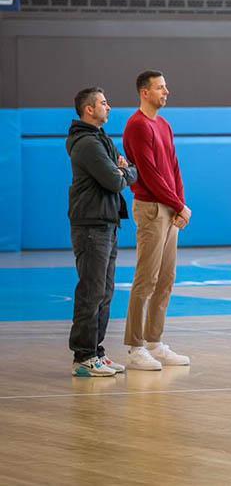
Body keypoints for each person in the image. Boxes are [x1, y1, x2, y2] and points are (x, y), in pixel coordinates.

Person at [122, 70, 191, 371]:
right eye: (161, 88)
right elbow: (149, 175)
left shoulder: (164, 125)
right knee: (146, 279)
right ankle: (136, 346)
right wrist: (176, 203)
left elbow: (173, 167)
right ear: (144, 92)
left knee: (166, 279)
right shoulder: (137, 126)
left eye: (166, 86)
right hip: (151, 209)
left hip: (170, 208)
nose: (167, 92)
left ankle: (154, 341)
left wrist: (180, 205)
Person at [67, 87, 138, 377]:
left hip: (107, 223)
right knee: (91, 291)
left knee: (105, 292)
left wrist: (124, 171)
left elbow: (130, 172)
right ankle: (83, 357)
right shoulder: (86, 143)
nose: (108, 107)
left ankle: (96, 351)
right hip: (90, 226)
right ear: (89, 110)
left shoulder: (101, 139)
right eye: (103, 104)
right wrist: (122, 172)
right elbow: (115, 180)